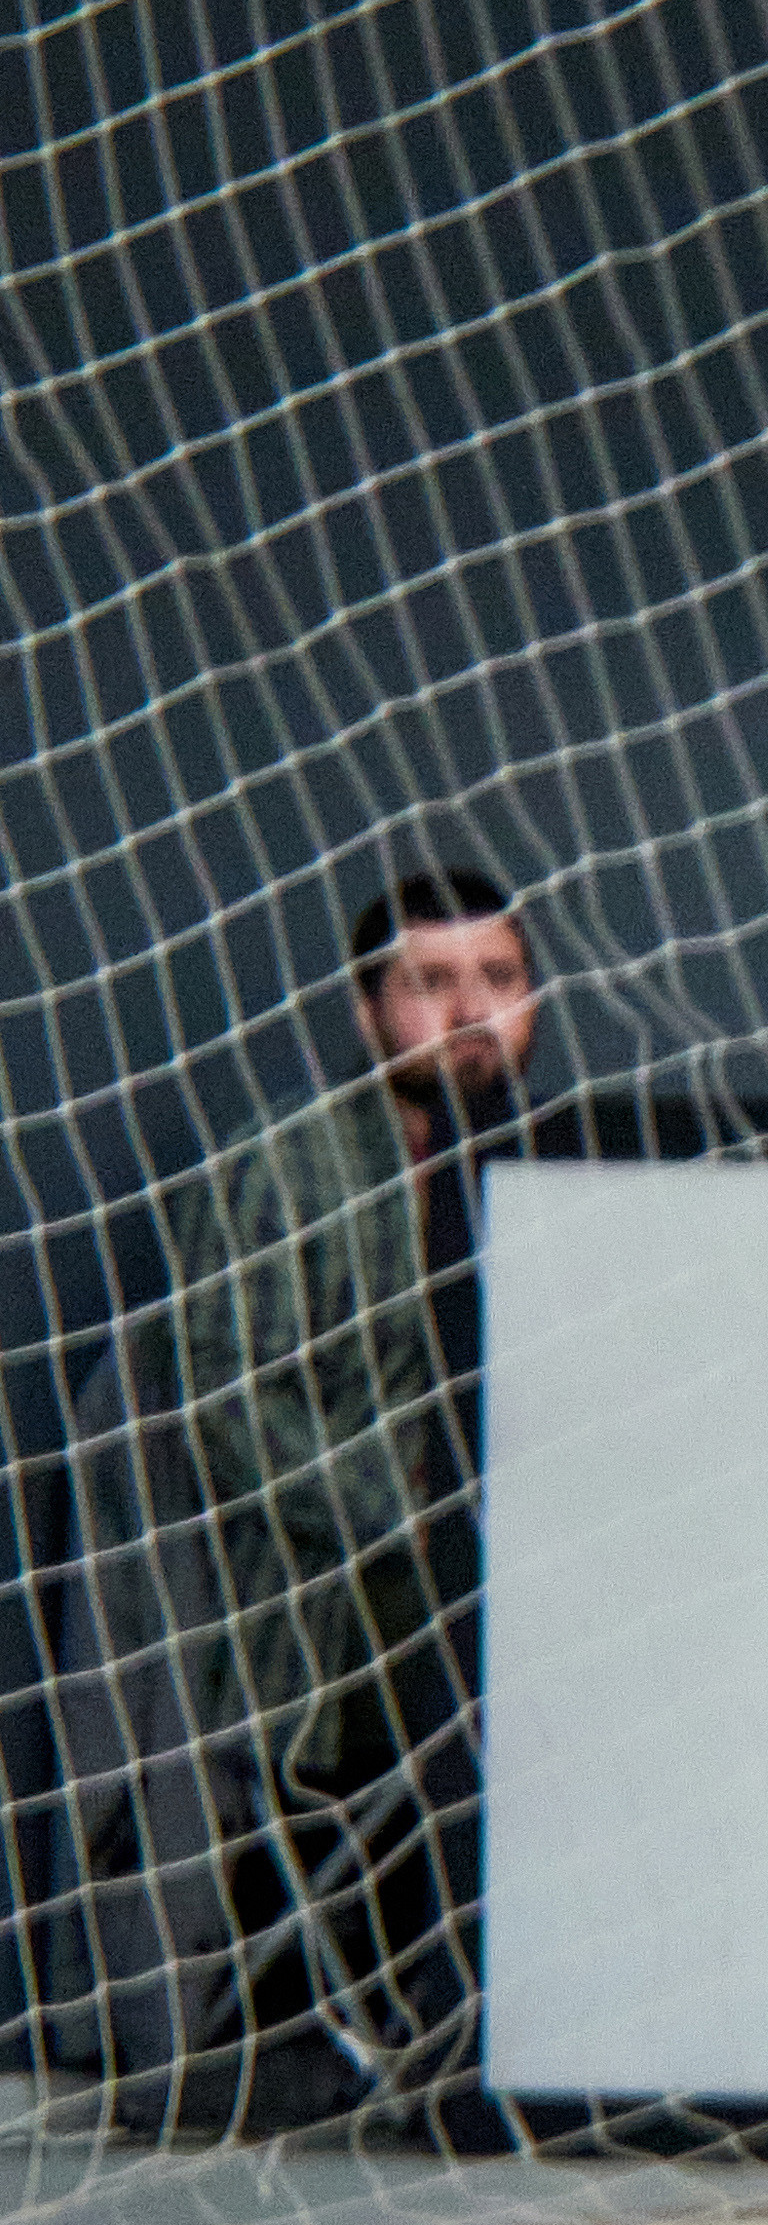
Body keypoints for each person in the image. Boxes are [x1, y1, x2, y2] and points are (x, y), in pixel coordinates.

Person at [46, 865, 543, 2131]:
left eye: (498, 979)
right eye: (430, 985)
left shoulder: (558, 1163)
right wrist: (411, 1509)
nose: (469, 1013)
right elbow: (227, 1394)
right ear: (370, 1010)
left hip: (511, 1579)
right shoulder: (292, 1159)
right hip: (310, 1588)